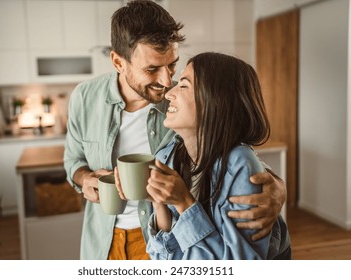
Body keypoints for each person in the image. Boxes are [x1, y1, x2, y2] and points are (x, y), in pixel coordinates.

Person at [64, 0, 286, 260]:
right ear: (118, 62)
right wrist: (83, 179)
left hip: (165, 239)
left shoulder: (182, 109)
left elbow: (228, 153)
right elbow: (73, 160)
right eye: (152, 69)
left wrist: (278, 188)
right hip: (105, 238)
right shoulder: (84, 98)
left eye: (172, 65)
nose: (166, 82)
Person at [144, 52, 291, 259]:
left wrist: (184, 203)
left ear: (214, 100)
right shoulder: (169, 155)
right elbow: (164, 258)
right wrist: (159, 202)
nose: (169, 93)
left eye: (183, 85)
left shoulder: (240, 164)